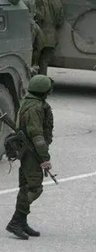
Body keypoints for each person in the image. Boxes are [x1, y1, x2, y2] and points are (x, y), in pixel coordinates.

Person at [5, 75, 55, 240]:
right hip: (31, 151)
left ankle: (22, 222)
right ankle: (16, 221)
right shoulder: (35, 108)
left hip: (28, 150)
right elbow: (37, 135)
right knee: (34, 187)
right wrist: (45, 158)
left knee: (25, 185)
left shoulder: (30, 102)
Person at [34, 0, 65, 75]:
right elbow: (60, 21)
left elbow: (39, 16)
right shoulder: (57, 0)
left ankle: (32, 81)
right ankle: (42, 81)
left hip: (38, 35)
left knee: (34, 62)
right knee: (44, 62)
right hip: (52, 37)